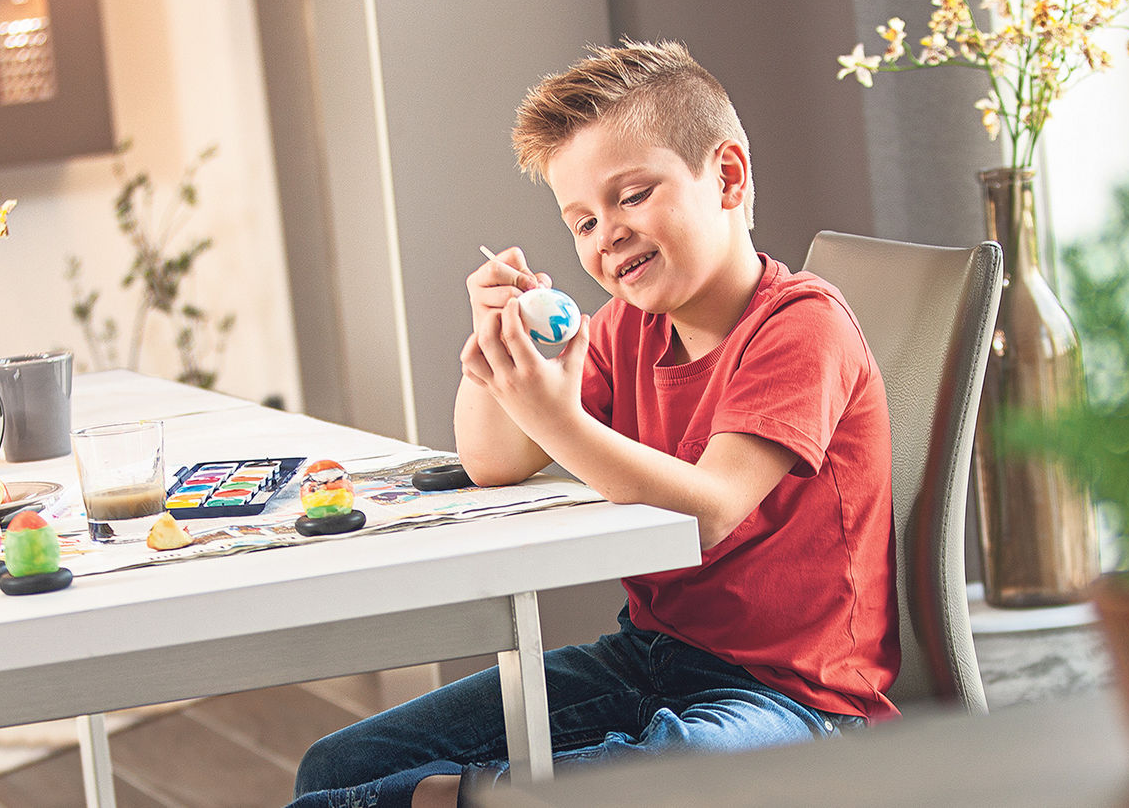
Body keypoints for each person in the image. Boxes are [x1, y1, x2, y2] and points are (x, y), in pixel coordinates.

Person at [290, 39, 898, 808]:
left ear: (727, 176)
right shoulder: (625, 329)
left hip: (794, 701)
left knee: (659, 770)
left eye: (632, 196)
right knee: (339, 766)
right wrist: (495, 350)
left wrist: (560, 419)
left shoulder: (802, 326)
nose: (605, 234)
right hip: (648, 659)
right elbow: (494, 463)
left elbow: (712, 510)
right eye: (581, 222)